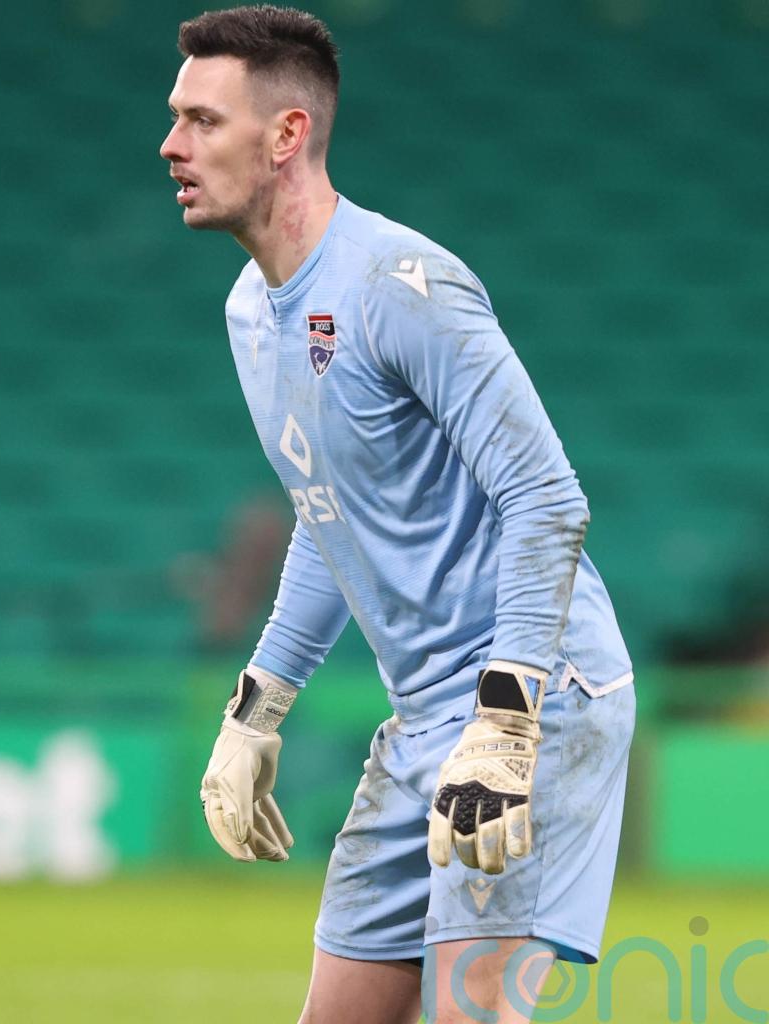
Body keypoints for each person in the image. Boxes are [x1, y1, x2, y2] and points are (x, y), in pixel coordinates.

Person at [159, 7, 635, 1022]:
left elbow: (547, 498)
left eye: (201, 120)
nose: (171, 145)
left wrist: (505, 720)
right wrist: (257, 711)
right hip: (421, 718)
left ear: (285, 135)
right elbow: (330, 517)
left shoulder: (397, 287)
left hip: (532, 698)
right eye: (176, 118)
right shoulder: (249, 313)